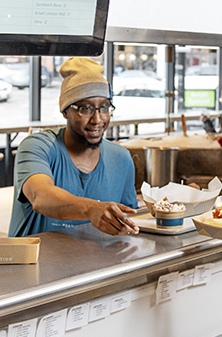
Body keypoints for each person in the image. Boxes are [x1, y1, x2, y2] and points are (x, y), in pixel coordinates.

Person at [9, 58, 139, 237]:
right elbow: (40, 197)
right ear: (65, 111)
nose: (97, 120)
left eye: (104, 107)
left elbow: (127, 223)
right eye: (85, 109)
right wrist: (91, 209)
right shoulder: (38, 146)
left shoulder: (121, 158)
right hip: (33, 262)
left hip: (95, 263)